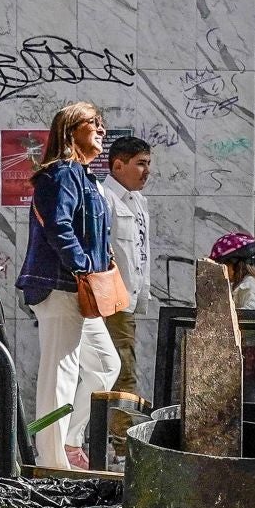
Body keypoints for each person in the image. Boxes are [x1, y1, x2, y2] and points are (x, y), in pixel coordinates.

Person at [17, 101, 119, 470]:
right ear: (70, 129)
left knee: (106, 364)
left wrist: (99, 264)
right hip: (62, 287)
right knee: (59, 373)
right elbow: (58, 226)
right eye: (94, 123)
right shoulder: (60, 174)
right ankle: (53, 461)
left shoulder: (85, 177)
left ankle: (71, 441)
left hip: (80, 290)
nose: (103, 130)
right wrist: (82, 268)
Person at [98, 135, 151, 396]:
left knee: (122, 372)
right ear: (118, 166)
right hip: (111, 302)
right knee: (123, 374)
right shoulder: (104, 198)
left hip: (127, 301)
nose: (147, 171)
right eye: (141, 163)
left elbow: (140, 251)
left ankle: (111, 433)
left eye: (148, 163)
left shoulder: (139, 201)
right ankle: (119, 437)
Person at [208, 231, 255, 397]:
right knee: (241, 396)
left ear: (236, 263)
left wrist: (230, 318)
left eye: (222, 266)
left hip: (250, 350)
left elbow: (254, 316)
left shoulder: (249, 285)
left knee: (245, 397)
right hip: (245, 348)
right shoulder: (240, 284)